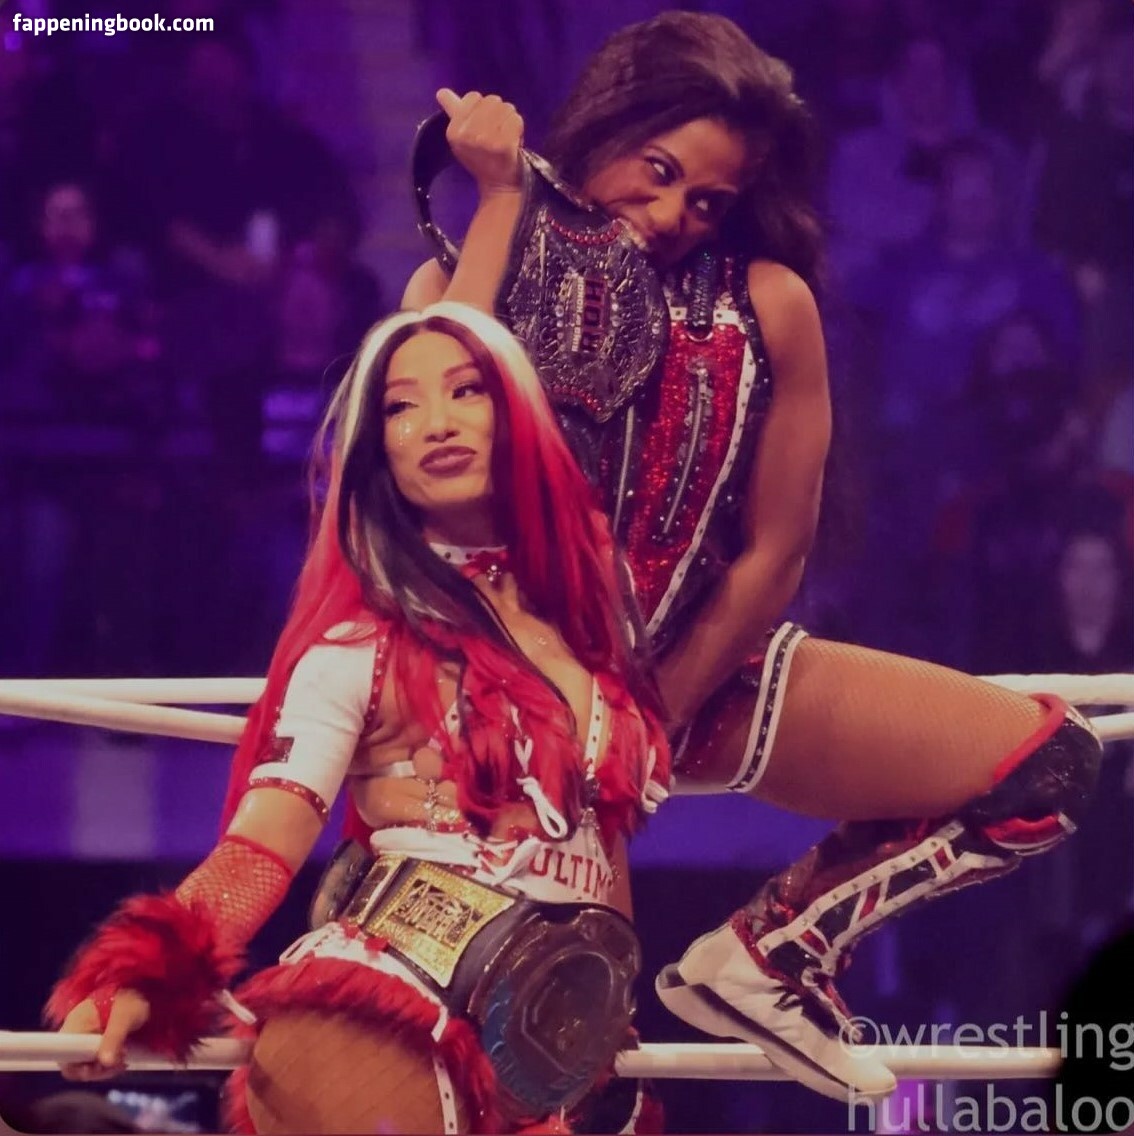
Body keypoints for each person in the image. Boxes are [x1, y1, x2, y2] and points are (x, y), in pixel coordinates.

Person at [402, 10, 1104, 1102]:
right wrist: (498, 199)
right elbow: (421, 455)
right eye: (660, 171)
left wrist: (651, 721)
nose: (672, 214)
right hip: (517, 710)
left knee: (1047, 766)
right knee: (577, 1081)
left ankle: (776, 950)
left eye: (707, 200)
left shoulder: (768, 302)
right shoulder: (470, 279)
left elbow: (776, 554)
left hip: (701, 680)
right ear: (607, 129)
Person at [45, 303, 671, 1135]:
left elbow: (602, 832)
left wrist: (611, 1010)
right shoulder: (359, 646)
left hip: (547, 1038)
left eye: (467, 390)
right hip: (384, 1009)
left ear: (519, 415)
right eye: (400, 407)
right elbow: (262, 843)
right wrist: (143, 976)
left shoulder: (595, 621)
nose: (436, 423)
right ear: (380, 453)